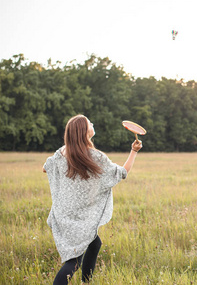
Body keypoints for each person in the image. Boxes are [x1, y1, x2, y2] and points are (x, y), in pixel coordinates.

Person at [43, 114, 142, 284]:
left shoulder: (61, 152)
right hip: (82, 217)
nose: (92, 124)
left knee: (94, 243)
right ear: (83, 131)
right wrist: (134, 151)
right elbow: (122, 172)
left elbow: (46, 168)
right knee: (73, 262)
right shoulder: (95, 157)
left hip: (64, 214)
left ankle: (86, 282)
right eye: (89, 123)